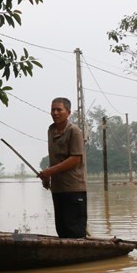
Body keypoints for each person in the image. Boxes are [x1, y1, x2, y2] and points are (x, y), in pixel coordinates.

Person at [37, 97, 87, 238]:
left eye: (59, 109)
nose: (55, 113)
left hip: (73, 189)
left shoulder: (74, 131)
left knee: (75, 232)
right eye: (53, 109)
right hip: (58, 189)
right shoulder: (51, 131)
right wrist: (47, 177)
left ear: (68, 112)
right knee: (62, 230)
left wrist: (50, 171)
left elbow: (75, 159)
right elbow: (55, 160)